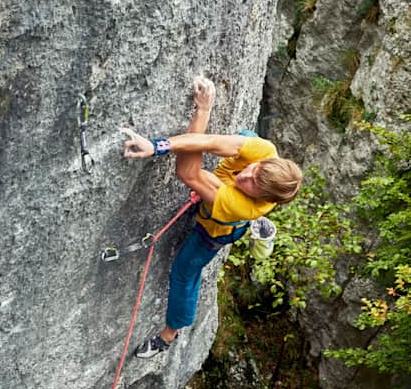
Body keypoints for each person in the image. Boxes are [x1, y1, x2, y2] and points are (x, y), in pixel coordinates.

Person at [122, 76, 302, 359]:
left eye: (253, 184)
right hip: (226, 185)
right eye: (255, 170)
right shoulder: (266, 153)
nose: (246, 175)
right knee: (249, 137)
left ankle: (169, 334)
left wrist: (199, 116)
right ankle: (219, 187)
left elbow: (188, 173)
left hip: (217, 229)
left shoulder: (244, 206)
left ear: (261, 197)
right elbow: (208, 141)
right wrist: (162, 142)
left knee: (184, 271)